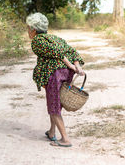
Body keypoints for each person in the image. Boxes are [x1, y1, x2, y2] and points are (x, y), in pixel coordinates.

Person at [26, 12, 85, 148]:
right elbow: (72, 51)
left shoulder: (37, 40)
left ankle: (65, 139)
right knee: (56, 102)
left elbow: (55, 52)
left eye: (28, 29)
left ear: (33, 30)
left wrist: (71, 64)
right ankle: (52, 132)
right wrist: (76, 66)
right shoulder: (54, 37)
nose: (28, 32)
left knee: (54, 105)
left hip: (54, 73)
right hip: (66, 73)